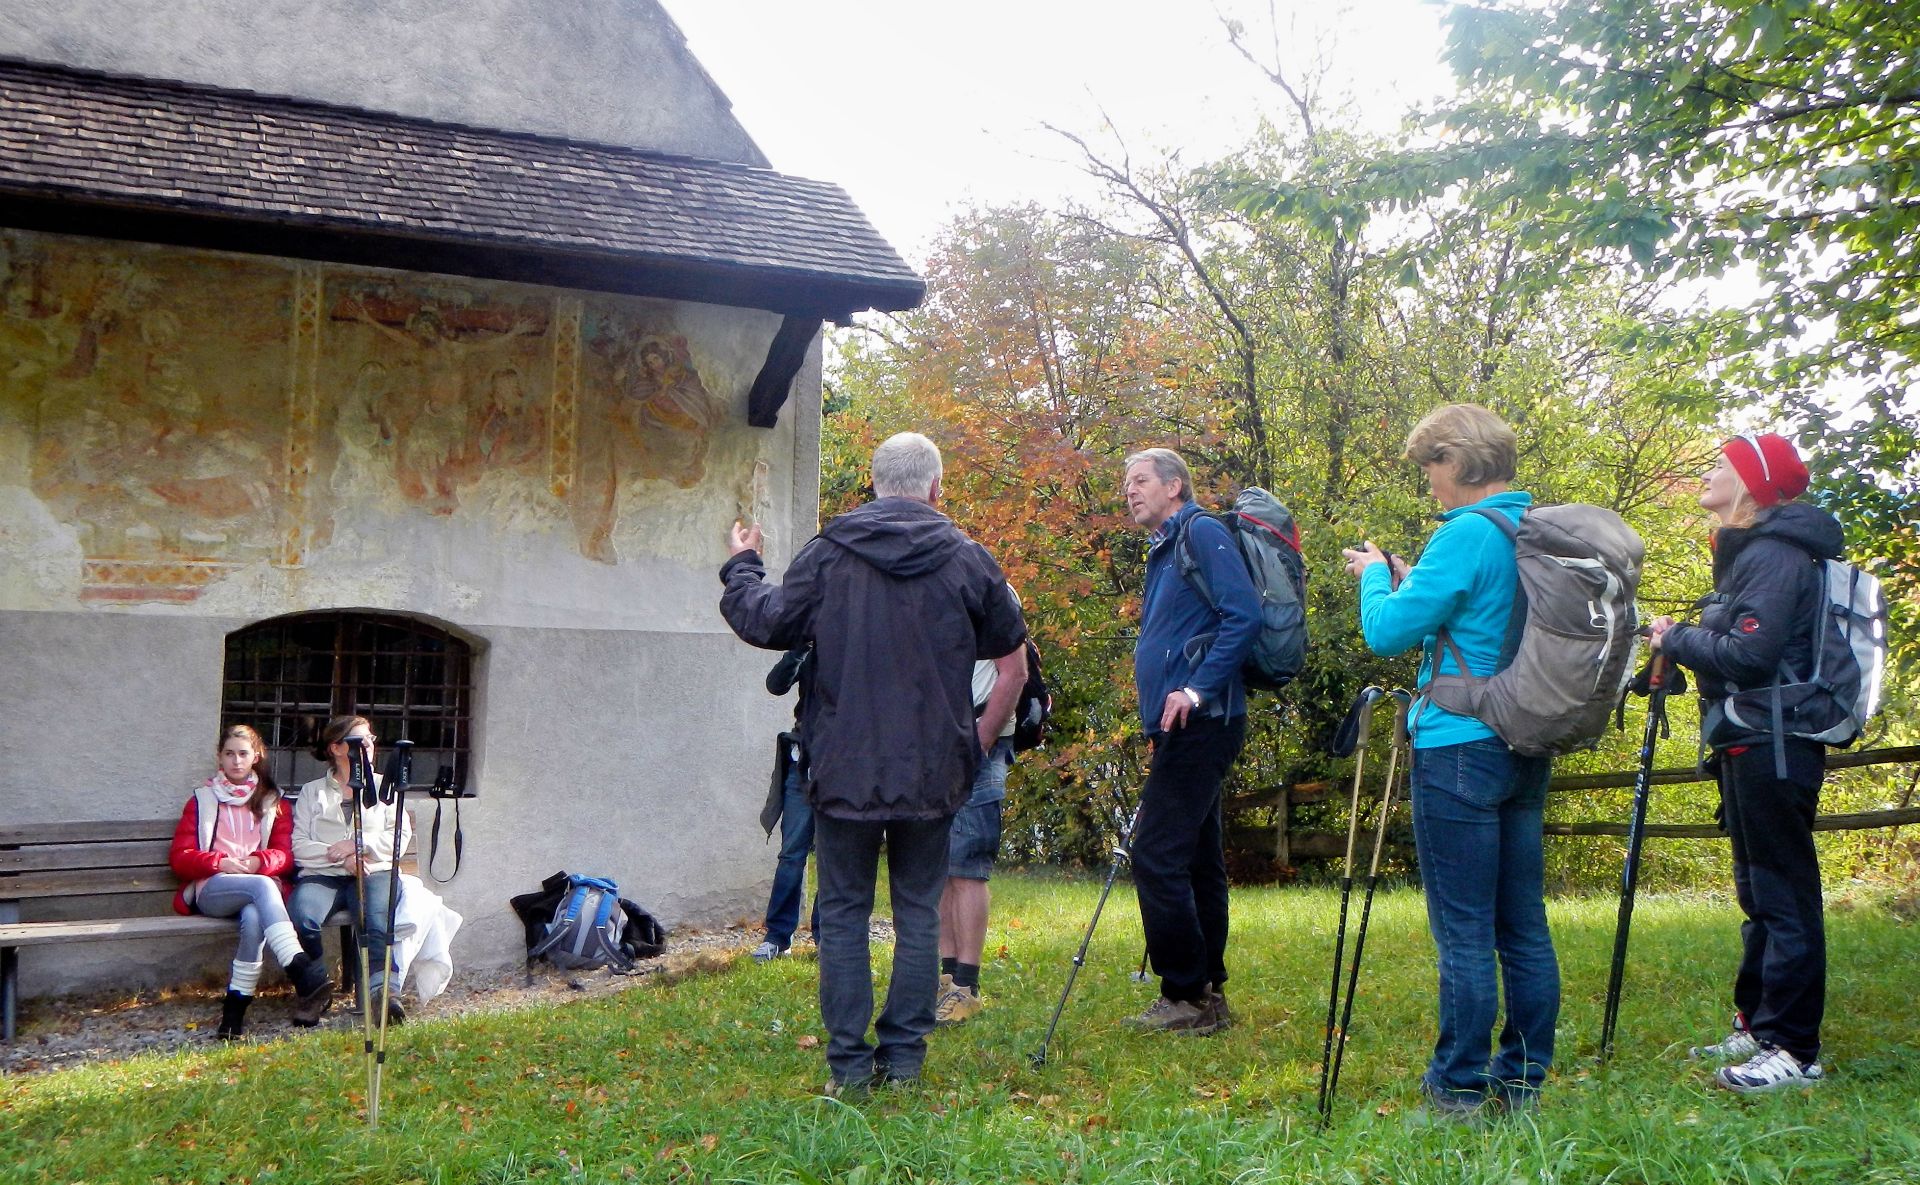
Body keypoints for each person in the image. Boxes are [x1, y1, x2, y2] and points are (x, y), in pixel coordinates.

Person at [720, 431, 1027, 1093]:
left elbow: (764, 619)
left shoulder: (829, 554)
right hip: (933, 771)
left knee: (847, 908)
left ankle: (849, 1071)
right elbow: (1014, 661)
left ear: (873, 482)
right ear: (936, 487)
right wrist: (975, 742)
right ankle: (904, 1063)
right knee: (918, 910)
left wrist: (743, 563)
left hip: (844, 766)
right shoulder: (969, 559)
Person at [1340, 403, 1558, 1120]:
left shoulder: (1466, 532)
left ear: (1457, 461)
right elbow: (1482, 614)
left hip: (1458, 744)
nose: (1428, 480)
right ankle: (1522, 1078)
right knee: (1522, 922)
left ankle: (1458, 1086)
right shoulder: (1531, 528)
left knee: (1463, 929)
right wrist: (1413, 573)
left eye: (1430, 464)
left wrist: (1376, 575)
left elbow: (1386, 631)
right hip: (1525, 738)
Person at [1649, 432, 1835, 1093]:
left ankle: (1794, 1049)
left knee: (1784, 896)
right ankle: (1759, 1024)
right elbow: (1738, 646)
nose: (1706, 470)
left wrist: (1677, 637)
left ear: (1752, 484)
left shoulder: (1776, 554)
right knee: (1759, 894)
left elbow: (1751, 657)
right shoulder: (1752, 554)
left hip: (1775, 742)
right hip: (1749, 739)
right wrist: (1688, 639)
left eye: (1719, 464)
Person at [1120, 447, 1260, 1034]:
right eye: (1126, 483)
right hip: (1180, 725)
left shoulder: (1201, 532)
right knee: (1199, 859)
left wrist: (1196, 691)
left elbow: (1245, 614)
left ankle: (1184, 994)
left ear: (1175, 486)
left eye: (1141, 480)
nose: (1130, 491)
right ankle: (1210, 994)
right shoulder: (1167, 548)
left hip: (1205, 719)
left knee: (1155, 853)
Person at [169, 724, 333, 1038]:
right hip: (214, 889)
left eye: (243, 754)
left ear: (255, 757)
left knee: (256, 915)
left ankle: (234, 1012)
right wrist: (220, 862)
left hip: (256, 895)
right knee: (263, 886)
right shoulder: (202, 800)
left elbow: (285, 855)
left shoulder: (273, 802)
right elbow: (180, 856)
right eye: (229, 754)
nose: (236, 760)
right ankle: (298, 968)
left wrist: (258, 861)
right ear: (219, 757)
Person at [289, 716, 413, 1026]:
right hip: (324, 876)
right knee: (303, 917)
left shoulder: (386, 787)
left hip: (375, 872)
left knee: (374, 917)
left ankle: (383, 992)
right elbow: (300, 846)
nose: (368, 746)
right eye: (359, 741)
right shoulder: (311, 791)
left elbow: (398, 838)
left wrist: (360, 846)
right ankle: (315, 989)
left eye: (370, 739)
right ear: (336, 748)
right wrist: (343, 858)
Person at [934, 622, 1024, 1026]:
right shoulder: (929, 580)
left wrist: (982, 739)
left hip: (980, 740)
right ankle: (946, 977)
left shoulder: (988, 588)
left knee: (968, 864)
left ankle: (966, 987)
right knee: (938, 865)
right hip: (935, 741)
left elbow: (1016, 672)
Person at [753, 644, 819, 962]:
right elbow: (776, 683)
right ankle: (778, 937)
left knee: (837, 859)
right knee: (791, 855)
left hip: (846, 762)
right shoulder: (809, 639)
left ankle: (830, 938)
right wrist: (798, 650)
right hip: (803, 761)